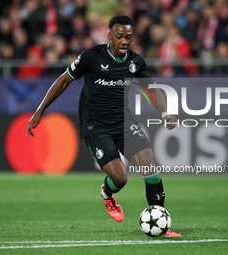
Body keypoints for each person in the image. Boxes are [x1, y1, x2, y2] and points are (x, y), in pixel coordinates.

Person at [26, 15, 181, 237]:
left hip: (124, 121)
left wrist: (165, 114)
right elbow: (63, 80)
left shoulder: (135, 62)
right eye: (120, 37)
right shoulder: (91, 57)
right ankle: (107, 193)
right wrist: (40, 110)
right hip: (95, 125)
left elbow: (153, 89)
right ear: (110, 36)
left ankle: (161, 224)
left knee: (150, 167)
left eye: (128, 37)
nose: (125, 41)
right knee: (120, 178)